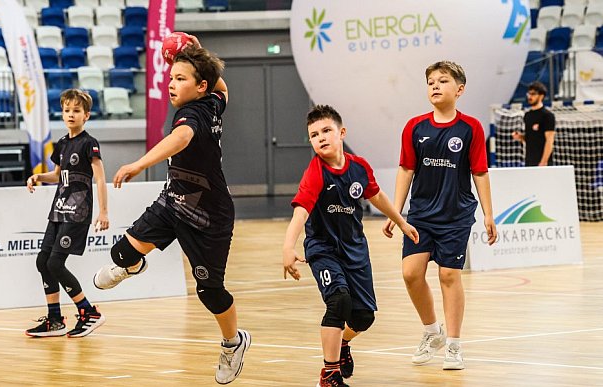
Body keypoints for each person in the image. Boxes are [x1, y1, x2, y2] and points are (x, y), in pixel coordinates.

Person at [92, 37, 251, 384]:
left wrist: (139, 163)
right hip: (174, 201)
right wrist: (195, 50)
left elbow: (179, 139)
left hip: (209, 216)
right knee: (121, 254)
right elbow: (222, 84)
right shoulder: (214, 100)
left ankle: (233, 343)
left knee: (210, 292)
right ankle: (133, 265)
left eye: (181, 78)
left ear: (200, 86)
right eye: (171, 76)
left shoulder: (195, 113)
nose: (171, 83)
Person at [283, 105, 419, 387]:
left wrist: (401, 221)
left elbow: (377, 195)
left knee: (363, 317)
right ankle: (329, 374)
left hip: (355, 250)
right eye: (314, 135)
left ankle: (343, 343)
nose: (320, 137)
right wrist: (288, 246)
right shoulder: (315, 173)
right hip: (323, 250)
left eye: (326, 131)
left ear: (341, 133)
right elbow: (301, 213)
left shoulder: (359, 167)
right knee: (339, 301)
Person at [383, 61, 498, 371]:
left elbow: (480, 172)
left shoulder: (470, 127)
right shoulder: (414, 127)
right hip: (420, 215)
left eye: (442, 81)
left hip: (456, 215)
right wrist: (395, 212)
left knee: (448, 275)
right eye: (430, 81)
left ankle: (455, 345)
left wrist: (489, 214)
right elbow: (406, 168)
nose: (434, 86)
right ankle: (433, 332)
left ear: (459, 90)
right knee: (411, 273)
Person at [24, 89, 109, 338]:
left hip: (77, 211)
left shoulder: (89, 143)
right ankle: (54, 320)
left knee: (55, 262)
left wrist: (103, 212)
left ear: (87, 115)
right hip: (57, 210)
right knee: (43, 261)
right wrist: (39, 176)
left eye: (76, 111)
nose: (71, 114)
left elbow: (101, 179)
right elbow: (57, 174)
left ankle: (88, 312)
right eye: (67, 110)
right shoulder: (61, 144)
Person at [512, 81, 556, 166]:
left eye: (533, 94)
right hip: (529, 160)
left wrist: (543, 162)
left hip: (543, 162)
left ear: (541, 96)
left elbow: (549, 141)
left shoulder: (547, 116)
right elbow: (530, 138)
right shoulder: (527, 115)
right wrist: (520, 137)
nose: (530, 96)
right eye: (529, 94)